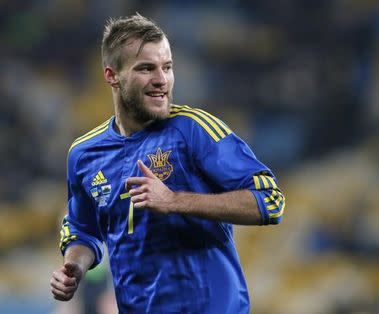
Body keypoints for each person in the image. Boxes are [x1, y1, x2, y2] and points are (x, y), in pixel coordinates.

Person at [50, 13, 285, 313]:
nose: (162, 80)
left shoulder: (193, 130)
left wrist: (175, 200)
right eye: (146, 68)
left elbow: (270, 200)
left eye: (167, 67)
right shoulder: (84, 153)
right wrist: (74, 267)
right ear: (112, 76)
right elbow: (83, 230)